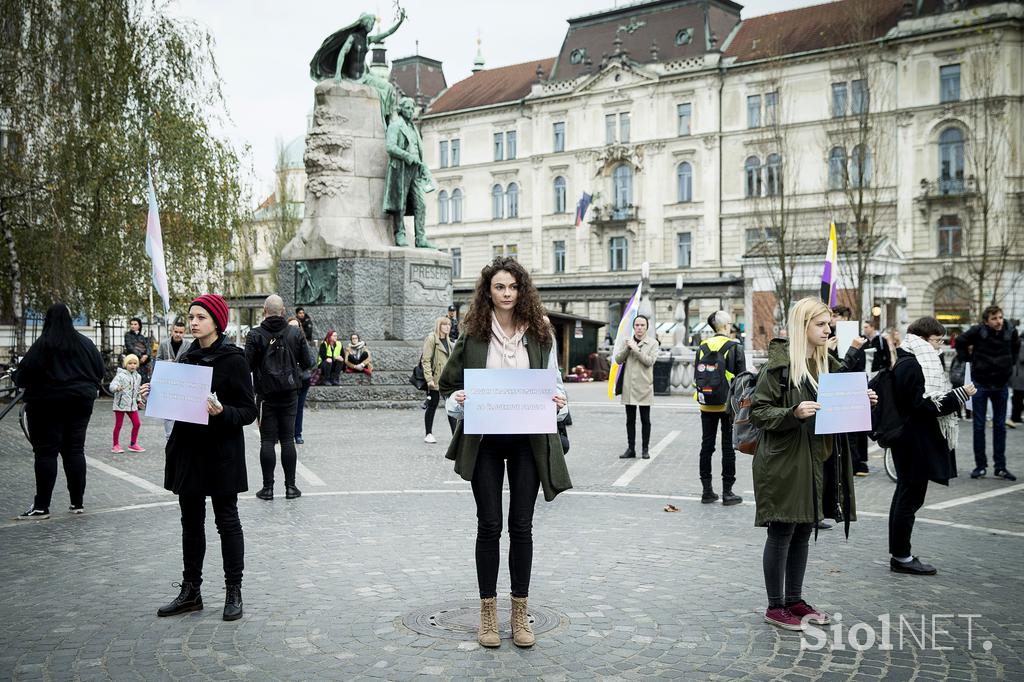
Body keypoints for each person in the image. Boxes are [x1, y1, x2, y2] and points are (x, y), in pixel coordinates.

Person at [439, 256, 570, 649]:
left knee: (522, 526)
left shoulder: (541, 332)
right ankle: (487, 614)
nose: (507, 294)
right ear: (488, 291)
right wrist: (457, 400)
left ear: (522, 290)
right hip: (487, 443)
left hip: (528, 439)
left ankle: (519, 613)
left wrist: (561, 404)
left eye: (513, 287)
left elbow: (557, 386)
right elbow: (448, 387)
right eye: (499, 287)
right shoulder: (473, 333)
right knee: (490, 525)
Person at [751, 297, 877, 630]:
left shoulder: (827, 365)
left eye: (828, 323)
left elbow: (839, 409)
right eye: (820, 324)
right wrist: (792, 413)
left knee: (804, 529)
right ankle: (775, 606)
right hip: (783, 462)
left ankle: (793, 599)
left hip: (817, 461)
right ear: (802, 326)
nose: (828, 329)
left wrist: (862, 400)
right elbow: (759, 412)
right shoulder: (778, 368)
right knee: (781, 531)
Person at [147, 293, 257, 622]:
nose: (193, 323)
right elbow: (178, 404)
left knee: (227, 521)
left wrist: (223, 412)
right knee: (190, 523)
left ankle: (233, 591)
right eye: (191, 317)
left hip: (221, 452)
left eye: (200, 317)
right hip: (189, 451)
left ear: (217, 322)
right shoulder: (187, 358)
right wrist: (154, 394)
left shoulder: (234, 359)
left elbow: (249, 411)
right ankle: (191, 591)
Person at [888, 317, 976, 575]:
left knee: (906, 496)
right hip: (914, 441)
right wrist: (957, 397)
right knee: (909, 498)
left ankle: (900, 553)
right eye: (937, 341)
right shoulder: (913, 364)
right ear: (924, 339)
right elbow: (922, 406)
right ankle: (902, 556)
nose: (939, 347)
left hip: (911, 440)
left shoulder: (909, 360)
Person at [14, 303, 103, 519]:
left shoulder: (43, 345)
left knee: (46, 452)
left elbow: (22, 375)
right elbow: (99, 371)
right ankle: (77, 502)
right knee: (74, 450)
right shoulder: (85, 343)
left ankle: (42, 506)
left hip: (46, 405)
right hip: (80, 402)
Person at [245, 294, 313, 501]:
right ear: (283, 311)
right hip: (290, 393)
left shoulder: (255, 334)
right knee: (287, 440)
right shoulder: (295, 333)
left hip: (265, 395)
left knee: (267, 441)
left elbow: (246, 365)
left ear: (264, 311)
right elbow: (308, 361)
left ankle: (267, 489)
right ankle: (291, 488)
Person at [955, 306, 1020, 480]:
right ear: (986, 321)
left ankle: (1000, 467)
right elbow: (960, 341)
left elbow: (1016, 348)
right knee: (978, 426)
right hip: (981, 384)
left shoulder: (1011, 331)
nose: (998, 321)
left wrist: (1009, 365)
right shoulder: (978, 331)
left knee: (1000, 427)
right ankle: (980, 466)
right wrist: (968, 359)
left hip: (1000, 385)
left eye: (1000, 317)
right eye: (994, 318)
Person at [694, 311, 746, 505]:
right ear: (725, 326)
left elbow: (696, 375)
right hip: (727, 406)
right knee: (727, 447)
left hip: (706, 404)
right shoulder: (735, 347)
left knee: (706, 446)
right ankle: (727, 492)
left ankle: (707, 491)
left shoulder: (702, 346)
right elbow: (742, 379)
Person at [615, 315, 659, 459]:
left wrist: (636, 349)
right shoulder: (627, 341)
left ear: (647, 327)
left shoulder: (653, 343)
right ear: (634, 327)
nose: (639, 328)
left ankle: (645, 449)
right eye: (637, 325)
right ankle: (631, 448)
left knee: (645, 420)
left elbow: (649, 361)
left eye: (642, 325)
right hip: (629, 386)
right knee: (630, 420)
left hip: (644, 386)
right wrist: (628, 348)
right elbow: (618, 359)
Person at [422, 316, 455, 443]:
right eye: (445, 325)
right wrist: (429, 379)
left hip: (447, 380)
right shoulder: (431, 339)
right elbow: (425, 360)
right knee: (432, 405)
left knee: (452, 406)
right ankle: (428, 433)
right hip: (435, 379)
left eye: (449, 325)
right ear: (439, 326)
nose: (448, 327)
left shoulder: (449, 341)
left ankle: (454, 436)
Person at [157, 319, 190, 439]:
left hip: (182, 382)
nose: (178, 334)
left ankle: (181, 434)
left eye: (181, 332)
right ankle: (168, 436)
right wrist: (166, 362)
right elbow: (156, 361)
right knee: (168, 410)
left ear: (184, 332)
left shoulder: (188, 345)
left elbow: (191, 362)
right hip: (168, 382)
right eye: (176, 331)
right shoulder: (164, 344)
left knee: (181, 408)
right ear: (171, 331)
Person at [109, 354, 145, 453]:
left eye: (134, 363)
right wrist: (116, 388)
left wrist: (139, 400)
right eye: (130, 363)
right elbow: (112, 385)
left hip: (132, 405)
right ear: (125, 364)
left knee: (137, 424)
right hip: (120, 404)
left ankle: (133, 444)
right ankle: (115, 445)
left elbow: (137, 390)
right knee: (118, 425)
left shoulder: (138, 376)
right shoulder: (120, 375)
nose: (132, 365)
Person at [289, 317, 315, 445]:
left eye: (296, 326)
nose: (294, 329)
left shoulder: (304, 341)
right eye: (291, 326)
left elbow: (311, 361)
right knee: (287, 408)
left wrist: (299, 365)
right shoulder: (283, 341)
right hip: (287, 380)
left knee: (298, 408)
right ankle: (285, 433)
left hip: (302, 378)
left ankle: (297, 434)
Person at [124, 317, 152, 382]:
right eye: (131, 324)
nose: (133, 326)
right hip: (133, 362)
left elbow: (148, 347)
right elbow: (130, 348)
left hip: (143, 364)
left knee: (143, 381)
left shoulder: (141, 337)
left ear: (139, 326)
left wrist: (146, 355)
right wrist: (140, 356)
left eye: (135, 324)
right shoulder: (128, 335)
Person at [1010, 339, 1024, 428]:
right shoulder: (1022, 345)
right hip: (1020, 377)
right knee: (1017, 398)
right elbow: (1022, 358)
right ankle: (1016, 417)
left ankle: (1016, 417)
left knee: (1017, 398)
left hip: (1018, 376)